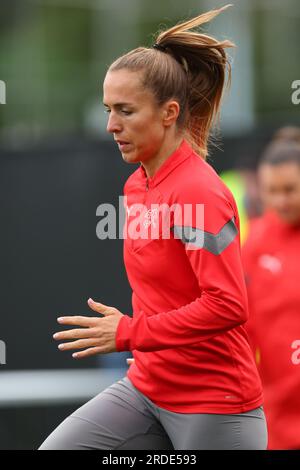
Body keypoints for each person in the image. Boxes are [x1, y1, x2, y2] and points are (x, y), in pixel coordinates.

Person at [38, 5, 267, 450]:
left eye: (125, 110)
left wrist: (128, 333)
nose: (111, 125)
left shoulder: (199, 192)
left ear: (169, 113)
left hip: (214, 404)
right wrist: (138, 340)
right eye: (108, 109)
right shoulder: (136, 184)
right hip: (146, 389)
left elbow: (226, 304)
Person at [242, 132, 300, 450]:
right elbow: (243, 326)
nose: (281, 201)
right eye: (272, 192)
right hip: (276, 417)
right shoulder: (256, 243)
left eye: (290, 189)